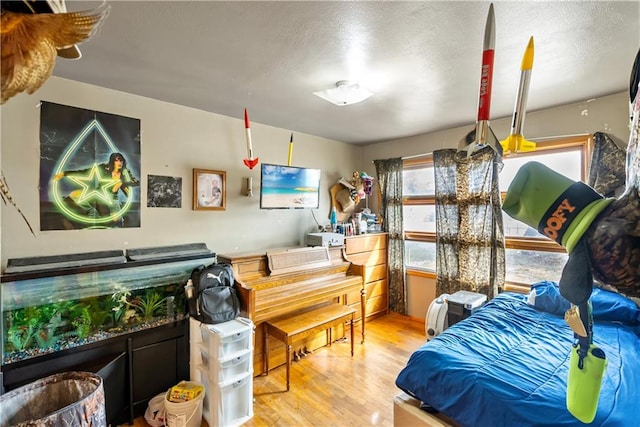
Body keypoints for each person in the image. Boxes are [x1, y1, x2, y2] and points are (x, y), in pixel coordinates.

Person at [53, 152, 139, 224]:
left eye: (121, 160)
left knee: (117, 221)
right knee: (74, 194)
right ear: (112, 161)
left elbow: (135, 182)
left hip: (113, 197)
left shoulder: (125, 172)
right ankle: (92, 212)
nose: (119, 163)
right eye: (116, 160)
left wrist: (121, 182)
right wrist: (64, 173)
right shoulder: (103, 167)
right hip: (98, 193)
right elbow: (85, 172)